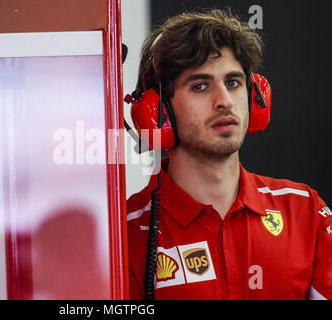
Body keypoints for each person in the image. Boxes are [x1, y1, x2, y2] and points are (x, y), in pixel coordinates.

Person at [126, 9, 331, 300]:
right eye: (200, 86)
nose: (224, 101)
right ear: (159, 113)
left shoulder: (305, 211)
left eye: (233, 83)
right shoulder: (125, 234)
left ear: (255, 96)